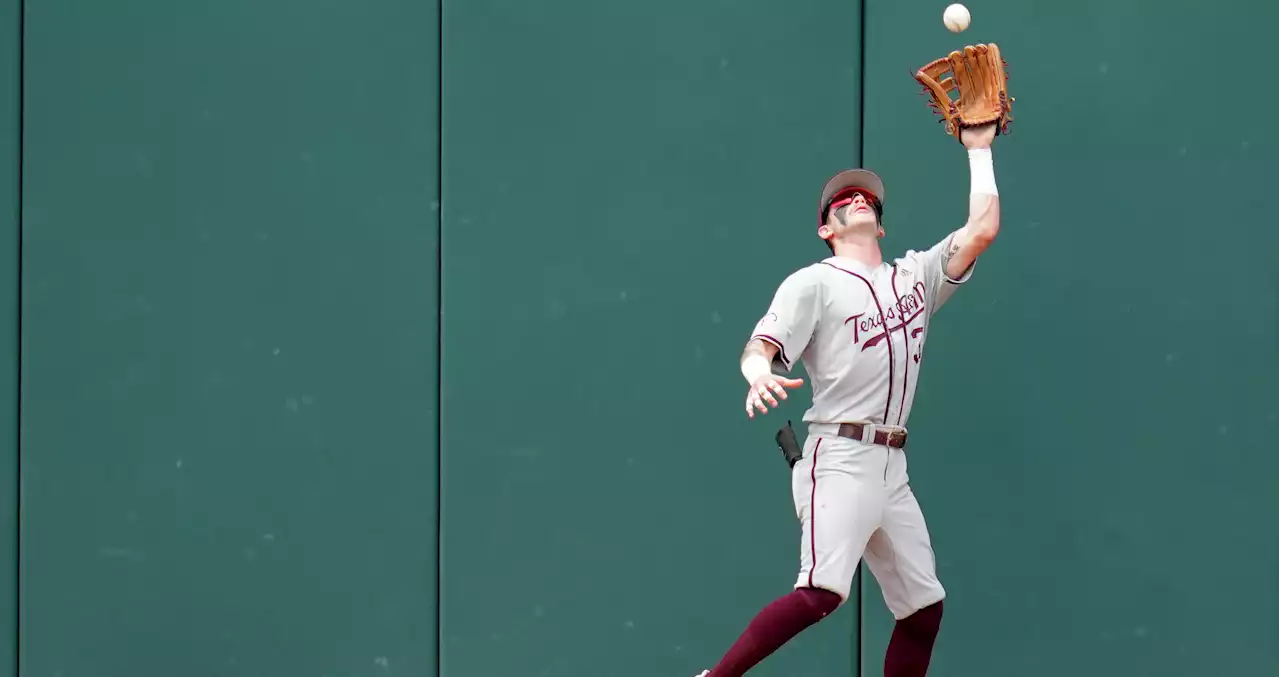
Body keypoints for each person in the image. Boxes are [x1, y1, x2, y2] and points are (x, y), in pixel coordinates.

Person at [694, 121, 1002, 677]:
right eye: (842, 199)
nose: (856, 198)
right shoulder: (813, 282)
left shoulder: (915, 276)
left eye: (865, 197)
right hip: (838, 456)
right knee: (821, 593)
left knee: (923, 609)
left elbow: (982, 229)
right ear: (825, 228)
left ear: (879, 225)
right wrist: (757, 372)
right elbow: (758, 345)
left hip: (892, 466)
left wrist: (979, 151)